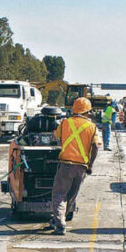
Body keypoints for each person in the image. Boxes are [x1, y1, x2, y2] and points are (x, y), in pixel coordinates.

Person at [50, 98, 99, 235]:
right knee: (71, 195)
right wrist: (90, 165)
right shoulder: (92, 127)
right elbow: (95, 146)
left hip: (65, 164)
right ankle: (59, 219)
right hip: (82, 166)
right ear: (87, 112)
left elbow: (56, 137)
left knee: (59, 194)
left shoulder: (65, 122)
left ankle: (59, 224)